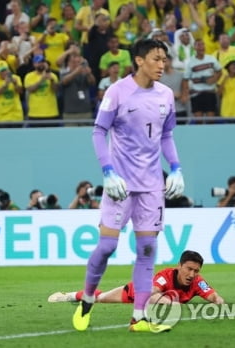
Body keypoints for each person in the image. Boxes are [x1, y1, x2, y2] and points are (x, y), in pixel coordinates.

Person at [72, 39, 185, 334]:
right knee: (107, 247)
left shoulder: (166, 95)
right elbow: (99, 132)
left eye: (164, 59)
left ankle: (140, 318)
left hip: (151, 186)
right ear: (138, 60)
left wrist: (176, 168)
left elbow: (167, 135)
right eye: (156, 59)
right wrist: (108, 172)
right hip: (120, 185)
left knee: (147, 248)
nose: (162, 65)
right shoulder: (117, 92)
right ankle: (87, 298)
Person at [50, 250, 224, 305]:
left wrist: (218, 302)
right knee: (101, 298)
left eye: (196, 270)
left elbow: (214, 296)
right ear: (179, 266)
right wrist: (170, 303)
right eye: (189, 269)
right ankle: (69, 296)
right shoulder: (165, 277)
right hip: (134, 291)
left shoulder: (197, 282)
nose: (192, 274)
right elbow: (150, 293)